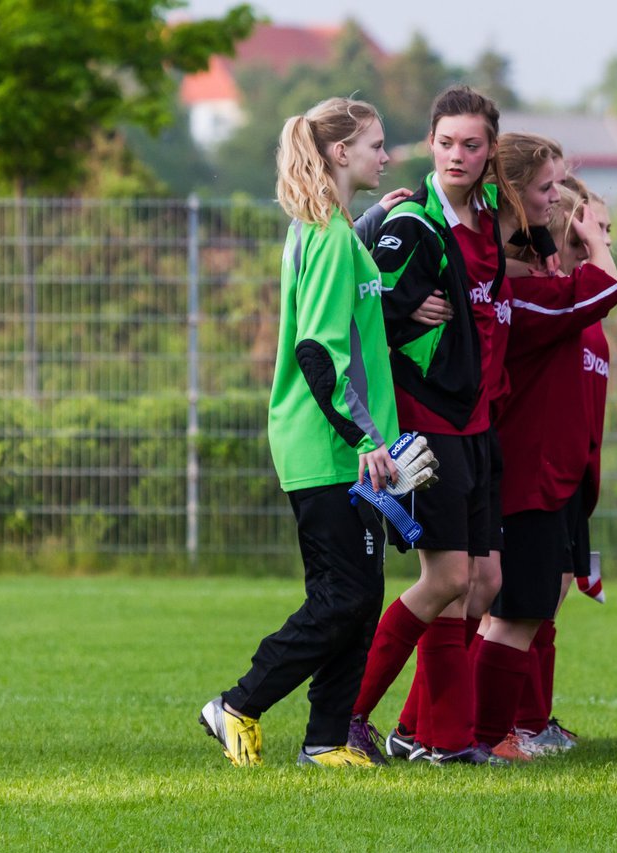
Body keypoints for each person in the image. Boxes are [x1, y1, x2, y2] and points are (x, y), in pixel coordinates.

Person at [198, 96, 428, 768]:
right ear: (339, 152)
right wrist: (366, 441)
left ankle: (326, 741)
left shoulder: (331, 228)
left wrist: (377, 217)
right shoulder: (327, 236)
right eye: (376, 144)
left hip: (342, 446)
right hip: (328, 447)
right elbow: (317, 352)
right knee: (344, 596)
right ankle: (237, 704)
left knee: (362, 598)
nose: (386, 155)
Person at [348, 85, 515, 765]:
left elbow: (528, 194)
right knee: (446, 578)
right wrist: (402, 309)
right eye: (445, 142)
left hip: (477, 426)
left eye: (471, 144)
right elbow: (362, 306)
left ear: (488, 152)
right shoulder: (410, 221)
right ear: (431, 145)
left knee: (480, 582)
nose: (457, 155)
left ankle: (431, 735)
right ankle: (348, 712)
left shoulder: (488, 217)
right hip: (428, 424)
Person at [474, 154, 617, 761]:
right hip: (528, 478)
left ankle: (506, 727)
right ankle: (484, 734)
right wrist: (597, 246)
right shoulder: (536, 300)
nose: (597, 244)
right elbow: (606, 286)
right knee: (502, 611)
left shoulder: (563, 311)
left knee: (527, 607)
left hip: (561, 479)